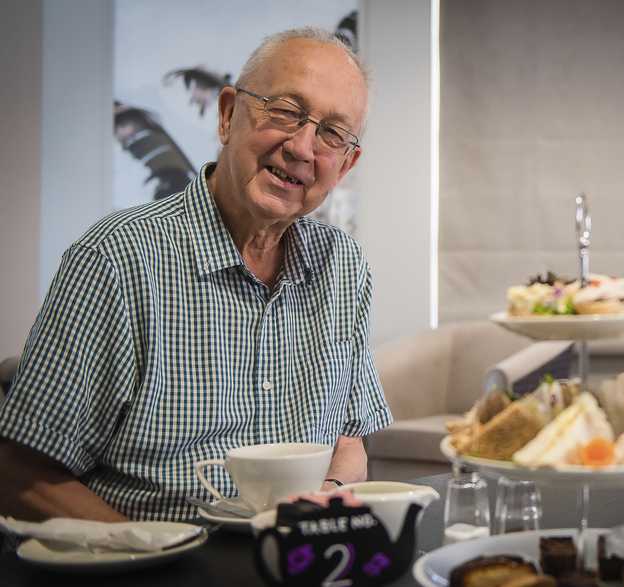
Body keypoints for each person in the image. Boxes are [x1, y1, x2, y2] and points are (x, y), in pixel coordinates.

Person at [0, 28, 391, 522]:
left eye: (332, 133)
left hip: (295, 556)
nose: (302, 147)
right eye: (286, 111)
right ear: (227, 115)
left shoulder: (345, 268)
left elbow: (350, 437)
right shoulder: (116, 260)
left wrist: (329, 494)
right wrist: (152, 551)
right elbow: (19, 473)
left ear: (347, 163)